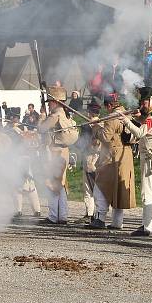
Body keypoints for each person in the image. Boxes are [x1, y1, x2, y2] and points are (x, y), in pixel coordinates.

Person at [122, 86, 152, 236]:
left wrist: (126, 121)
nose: (143, 105)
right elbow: (145, 124)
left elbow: (141, 132)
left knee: (147, 192)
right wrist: (136, 117)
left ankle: (147, 227)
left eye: (145, 102)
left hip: (149, 157)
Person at [87, 93, 136, 230]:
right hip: (125, 155)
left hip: (111, 156)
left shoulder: (111, 117)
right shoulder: (127, 114)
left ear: (109, 105)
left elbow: (105, 137)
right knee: (118, 190)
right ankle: (117, 222)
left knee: (101, 188)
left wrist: (96, 127)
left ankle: (99, 218)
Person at [39, 86, 76, 225]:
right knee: (61, 185)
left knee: (52, 184)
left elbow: (41, 129)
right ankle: (63, 216)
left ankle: (53, 216)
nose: (49, 104)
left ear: (55, 102)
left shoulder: (55, 115)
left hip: (54, 152)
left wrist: (42, 117)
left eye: (50, 102)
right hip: (63, 151)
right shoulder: (65, 115)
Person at [80, 99, 101, 220]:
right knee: (92, 188)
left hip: (91, 158)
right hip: (95, 158)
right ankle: (91, 213)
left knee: (90, 188)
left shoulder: (90, 125)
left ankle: (91, 214)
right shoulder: (100, 124)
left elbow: (88, 142)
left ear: (90, 112)